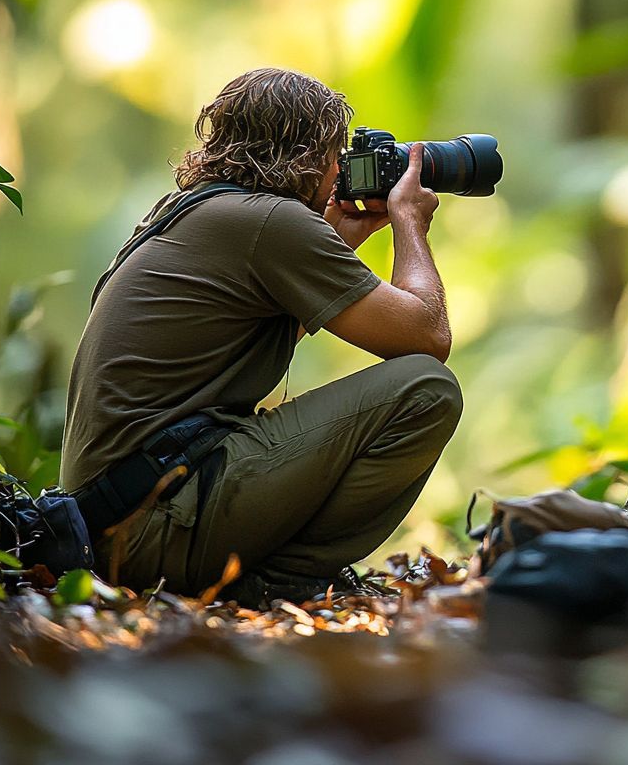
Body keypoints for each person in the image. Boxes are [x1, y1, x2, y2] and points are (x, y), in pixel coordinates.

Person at [60, 67, 463, 605]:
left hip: (118, 520)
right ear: (308, 153)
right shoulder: (268, 223)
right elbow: (428, 337)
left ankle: (259, 572)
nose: (340, 168)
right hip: (155, 524)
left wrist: (338, 244)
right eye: (335, 152)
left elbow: (233, 339)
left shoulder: (192, 210)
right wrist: (409, 222)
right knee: (426, 388)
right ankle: (280, 580)